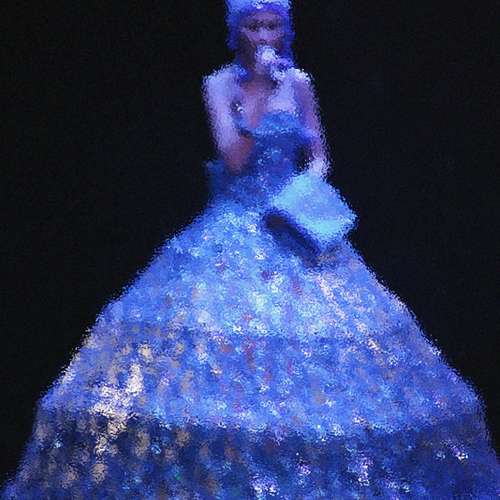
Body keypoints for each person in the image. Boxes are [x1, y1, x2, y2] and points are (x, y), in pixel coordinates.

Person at [2, 0, 499, 498]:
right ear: (236, 31)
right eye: (254, 26)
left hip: (293, 219)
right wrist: (258, 97)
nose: (264, 35)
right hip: (235, 221)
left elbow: (319, 156)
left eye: (272, 25)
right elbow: (235, 159)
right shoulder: (219, 85)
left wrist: (305, 190)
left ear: (285, 30)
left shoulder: (299, 82)